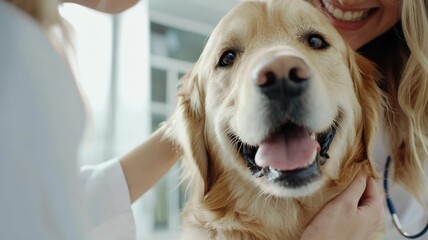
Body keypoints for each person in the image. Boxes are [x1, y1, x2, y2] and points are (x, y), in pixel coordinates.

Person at [0, 0, 425, 239]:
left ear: (370, 114)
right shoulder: (19, 53)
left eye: (314, 41)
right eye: (229, 57)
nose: (280, 68)